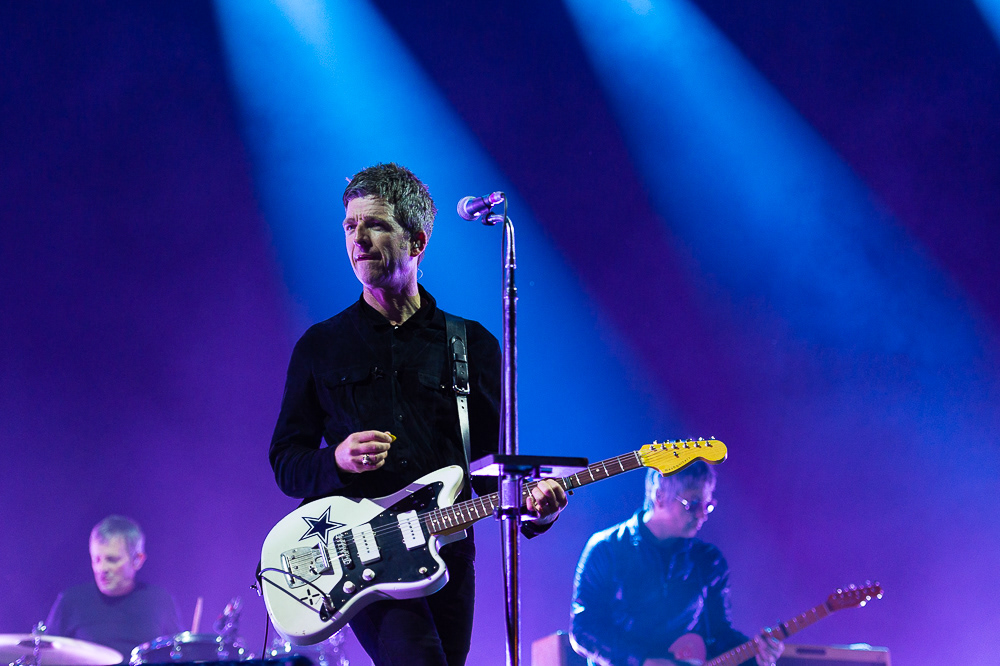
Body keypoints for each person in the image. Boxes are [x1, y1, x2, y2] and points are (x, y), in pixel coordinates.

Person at [268, 162, 567, 666]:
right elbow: (286, 462)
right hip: (362, 556)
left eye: (375, 224)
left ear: (417, 241)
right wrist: (336, 460)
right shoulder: (321, 346)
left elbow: (492, 467)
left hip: (448, 551)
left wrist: (538, 507)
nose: (358, 238)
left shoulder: (471, 345)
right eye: (350, 226)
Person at [569, 463, 783, 666]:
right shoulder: (606, 548)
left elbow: (719, 635)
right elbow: (583, 631)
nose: (702, 515)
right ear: (660, 497)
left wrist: (757, 654)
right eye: (693, 504)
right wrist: (642, 662)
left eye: (707, 505)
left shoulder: (708, 559)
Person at [46, 515, 182, 661]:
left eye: (112, 560)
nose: (102, 568)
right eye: (96, 559)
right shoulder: (71, 601)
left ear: (137, 560)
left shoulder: (159, 601)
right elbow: (45, 655)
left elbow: (179, 656)